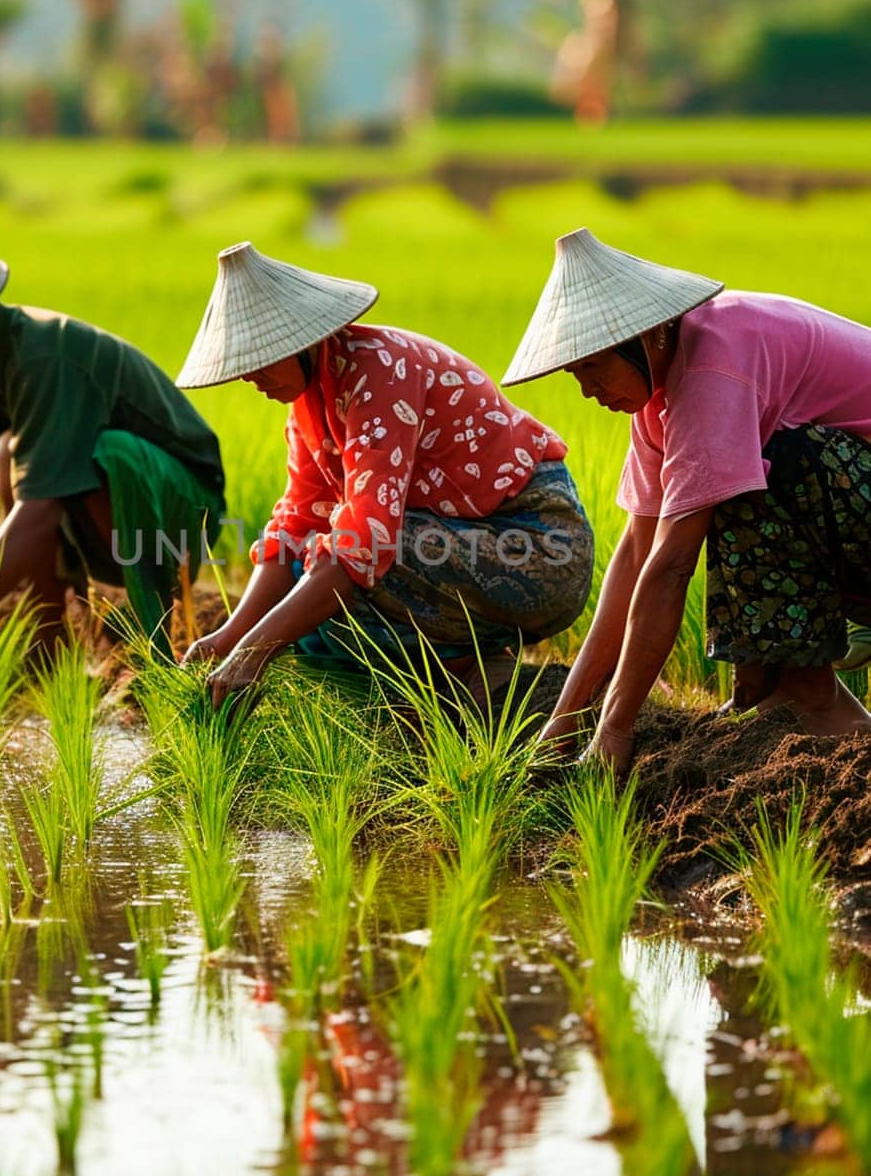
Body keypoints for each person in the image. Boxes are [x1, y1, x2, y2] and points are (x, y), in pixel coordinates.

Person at [501, 227, 871, 772]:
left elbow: (672, 565)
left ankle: (812, 698)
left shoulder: (712, 368)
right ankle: (762, 689)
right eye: (574, 373)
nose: (585, 389)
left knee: (763, 470)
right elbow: (636, 555)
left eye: (591, 367)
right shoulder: (659, 395)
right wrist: (568, 718)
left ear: (642, 337)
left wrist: (616, 727)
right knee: (728, 475)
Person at [175, 241, 593, 705]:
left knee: (337, 565)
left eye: (257, 361)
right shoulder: (309, 408)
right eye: (241, 368)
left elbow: (365, 542)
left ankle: (468, 667)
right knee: (308, 592)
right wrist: (230, 638)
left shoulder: (380, 370)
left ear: (301, 341)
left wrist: (254, 653)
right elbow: (294, 526)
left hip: (538, 547)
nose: (250, 379)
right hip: (458, 542)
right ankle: (441, 679)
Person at [0, 234, 225, 654]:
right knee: (8, 451)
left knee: (110, 453)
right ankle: (49, 644)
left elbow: (42, 507)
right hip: (108, 517)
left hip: (181, 520)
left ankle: (148, 641)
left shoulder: (43, 357)